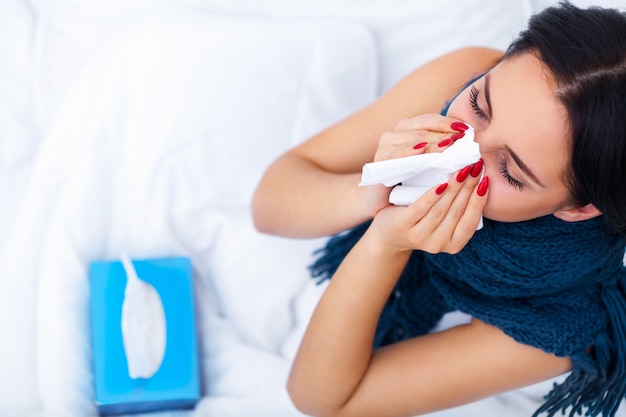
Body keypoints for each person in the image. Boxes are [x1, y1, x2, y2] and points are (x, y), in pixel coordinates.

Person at [252, 2, 626, 417]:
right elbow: (269, 203)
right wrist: (373, 192)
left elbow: (322, 399)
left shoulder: (565, 317)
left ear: (580, 209)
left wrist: (385, 243)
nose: (464, 151)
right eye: (479, 107)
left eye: (508, 169)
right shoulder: (462, 75)